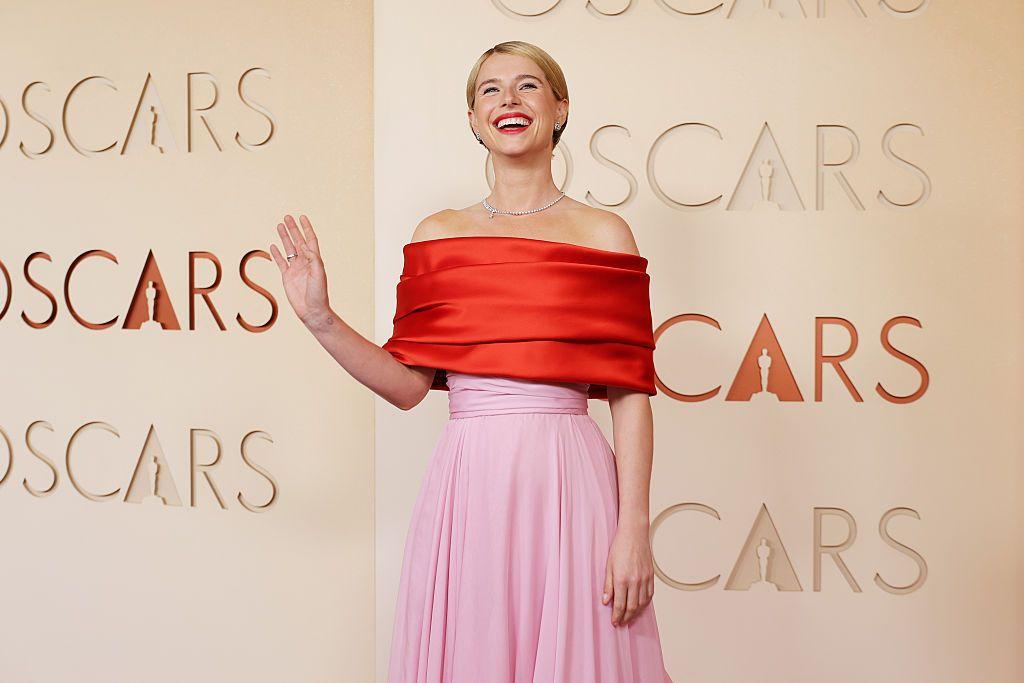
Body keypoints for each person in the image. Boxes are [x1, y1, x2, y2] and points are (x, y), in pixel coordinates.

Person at [270, 40, 672, 683]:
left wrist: (634, 529)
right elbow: (407, 388)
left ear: (560, 108)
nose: (508, 100)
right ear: (472, 118)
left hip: (569, 481)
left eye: (528, 86)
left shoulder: (604, 234)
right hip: (469, 483)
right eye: (490, 89)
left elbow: (630, 395)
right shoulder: (439, 236)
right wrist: (321, 318)